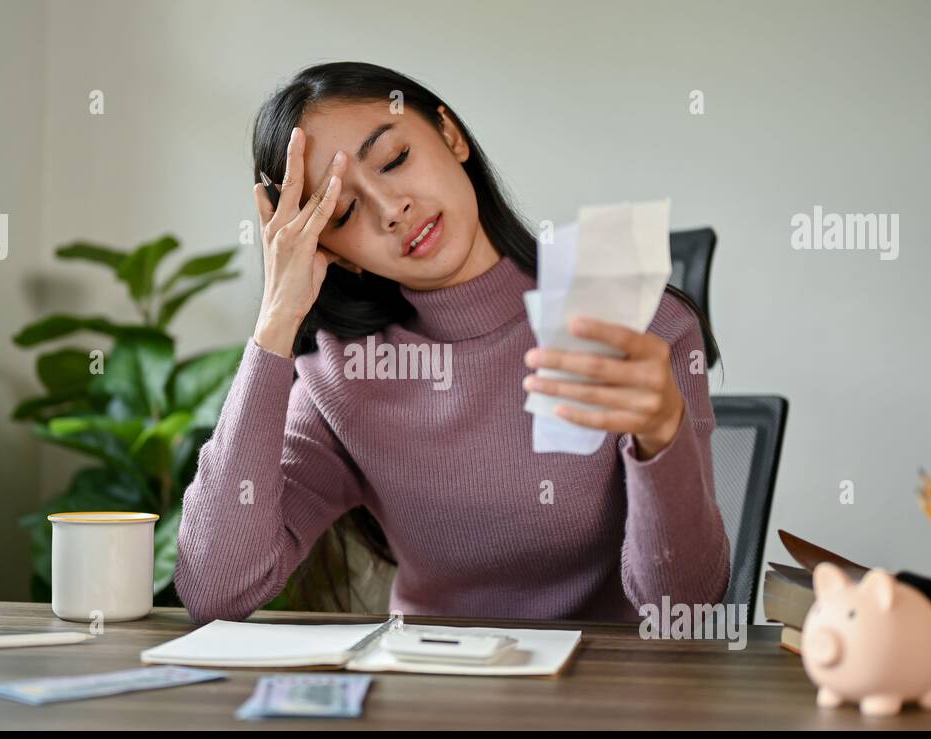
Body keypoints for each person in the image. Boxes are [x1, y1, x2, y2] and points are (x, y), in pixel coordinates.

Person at [173, 61, 730, 625]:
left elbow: (680, 607)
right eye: (342, 212)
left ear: (450, 134)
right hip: (429, 688)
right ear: (331, 252)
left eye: (394, 159)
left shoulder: (630, 324)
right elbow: (217, 587)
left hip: (601, 695)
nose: (392, 211)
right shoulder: (344, 377)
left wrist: (662, 432)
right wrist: (274, 324)